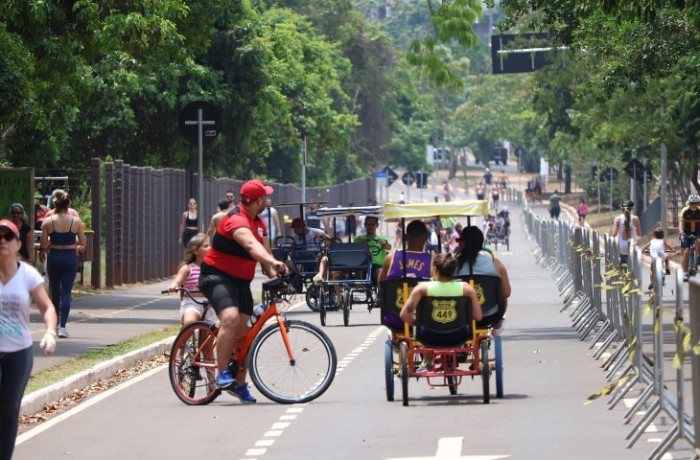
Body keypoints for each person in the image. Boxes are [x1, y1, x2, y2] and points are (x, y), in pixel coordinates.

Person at [198, 179, 288, 403]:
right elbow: (250, 246)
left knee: (245, 335)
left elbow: (266, 261)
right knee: (230, 318)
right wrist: (270, 259)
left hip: (241, 282)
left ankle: (239, 384)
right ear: (257, 200)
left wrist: (281, 271)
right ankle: (221, 375)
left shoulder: (260, 224)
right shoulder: (235, 219)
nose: (268, 200)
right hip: (217, 277)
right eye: (265, 197)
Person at [0, 219, 57, 460]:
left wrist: (50, 332)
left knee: (8, 410)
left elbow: (47, 308)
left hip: (19, 353)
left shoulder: (28, 275)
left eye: (8, 237)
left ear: (18, 244)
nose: (2, 240)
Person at [399, 253, 482, 346]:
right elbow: (478, 316)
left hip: (428, 336)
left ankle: (428, 358)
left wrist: (418, 323)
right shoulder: (466, 288)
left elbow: (404, 315)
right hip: (459, 335)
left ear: (434, 269)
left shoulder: (421, 289)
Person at [40, 189, 86, 338]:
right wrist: (76, 246)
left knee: (55, 292)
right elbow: (82, 243)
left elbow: (43, 245)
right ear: (68, 206)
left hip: (54, 256)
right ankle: (63, 327)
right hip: (69, 257)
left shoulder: (47, 221)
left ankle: (53, 325)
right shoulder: (76, 221)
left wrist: (48, 247)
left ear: (56, 205)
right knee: (66, 291)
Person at [455, 225, 512, 333]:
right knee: (501, 290)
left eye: (459, 240)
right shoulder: (496, 264)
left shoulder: (452, 265)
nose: (458, 243)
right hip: (490, 315)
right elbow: (506, 293)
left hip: (460, 316)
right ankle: (498, 322)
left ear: (462, 243)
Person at [168, 233, 216, 326]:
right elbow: (177, 281)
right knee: (190, 322)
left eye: (210, 245)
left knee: (209, 332)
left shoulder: (213, 268)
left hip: (209, 304)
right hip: (192, 303)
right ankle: (182, 339)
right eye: (206, 246)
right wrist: (174, 286)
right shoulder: (187, 268)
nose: (210, 247)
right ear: (196, 251)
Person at [354, 215, 391, 282]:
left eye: (372, 224)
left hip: (377, 265)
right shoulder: (359, 239)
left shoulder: (382, 238)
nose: (370, 227)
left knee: (379, 271)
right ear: (365, 225)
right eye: (368, 224)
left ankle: (380, 290)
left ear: (377, 225)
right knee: (359, 269)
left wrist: (384, 244)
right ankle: (360, 283)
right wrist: (360, 244)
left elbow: (389, 247)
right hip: (363, 265)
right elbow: (353, 251)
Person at [612, 200, 641, 266]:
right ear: (632, 209)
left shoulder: (618, 218)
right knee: (632, 265)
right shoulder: (635, 219)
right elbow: (639, 233)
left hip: (621, 245)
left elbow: (614, 234)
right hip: (632, 244)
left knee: (623, 264)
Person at [679, 194, 700, 281]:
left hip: (698, 232)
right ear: (689, 203)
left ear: (698, 203)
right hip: (686, 233)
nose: (694, 205)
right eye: (692, 203)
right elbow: (681, 223)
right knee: (686, 252)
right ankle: (684, 273)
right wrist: (681, 233)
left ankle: (698, 258)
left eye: (696, 203)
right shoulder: (684, 211)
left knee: (699, 242)